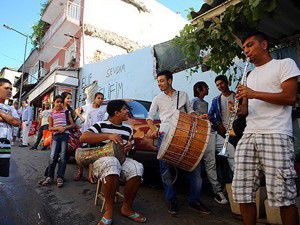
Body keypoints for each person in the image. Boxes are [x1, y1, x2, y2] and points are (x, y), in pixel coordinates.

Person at [232, 32, 299, 225]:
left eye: (250, 45)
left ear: (264, 45)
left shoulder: (284, 64)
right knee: (242, 192)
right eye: (244, 48)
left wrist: (253, 93)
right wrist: (238, 109)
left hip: (276, 134)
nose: (246, 51)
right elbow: (246, 109)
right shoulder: (249, 75)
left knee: (283, 195)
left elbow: (289, 98)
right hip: (250, 134)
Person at [147, 70, 210, 215]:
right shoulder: (157, 99)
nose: (159, 84)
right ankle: (171, 199)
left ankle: (194, 200)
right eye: (158, 82)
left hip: (184, 133)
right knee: (165, 169)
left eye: (162, 81)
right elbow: (149, 117)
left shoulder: (183, 95)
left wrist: (198, 117)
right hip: (165, 134)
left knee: (194, 166)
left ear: (170, 80)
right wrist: (153, 128)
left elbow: (190, 112)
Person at [80, 100, 146, 225]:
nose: (128, 111)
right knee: (112, 163)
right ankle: (108, 211)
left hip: (122, 160)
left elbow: (131, 149)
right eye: (125, 109)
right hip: (102, 161)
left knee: (137, 168)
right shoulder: (100, 125)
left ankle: (126, 208)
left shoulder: (128, 129)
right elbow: (83, 137)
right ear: (116, 113)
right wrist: (108, 136)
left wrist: (130, 147)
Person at [191, 81, 228, 204]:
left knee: (230, 150)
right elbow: (191, 117)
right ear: (199, 89)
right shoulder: (193, 101)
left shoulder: (205, 103)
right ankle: (217, 192)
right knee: (210, 162)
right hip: (203, 135)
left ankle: (235, 185)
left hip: (212, 133)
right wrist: (200, 118)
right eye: (206, 87)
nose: (208, 89)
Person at [41, 95, 75, 188]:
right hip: (56, 137)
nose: (59, 103)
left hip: (65, 136)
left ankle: (60, 177)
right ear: (54, 103)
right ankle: (49, 177)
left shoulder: (66, 112)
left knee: (63, 157)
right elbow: (50, 127)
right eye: (57, 102)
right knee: (53, 157)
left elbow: (72, 125)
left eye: (61, 102)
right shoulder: (51, 114)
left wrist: (64, 128)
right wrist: (58, 128)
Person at [74, 92, 106, 182]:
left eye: (102, 98)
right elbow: (77, 110)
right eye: (98, 98)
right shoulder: (87, 106)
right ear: (94, 99)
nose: (100, 100)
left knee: (92, 154)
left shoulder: (103, 109)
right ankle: (79, 172)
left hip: (95, 134)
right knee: (81, 153)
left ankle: (90, 176)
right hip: (85, 133)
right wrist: (81, 117)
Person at [208, 75, 236, 173]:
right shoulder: (216, 100)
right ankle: (231, 180)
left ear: (227, 82)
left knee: (238, 155)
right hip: (224, 132)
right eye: (217, 85)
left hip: (237, 130)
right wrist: (218, 124)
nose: (220, 87)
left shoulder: (236, 97)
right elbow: (210, 115)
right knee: (229, 156)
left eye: (221, 83)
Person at [0, 78, 20, 177]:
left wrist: (1, 114)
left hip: (5, 144)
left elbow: (16, 122)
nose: (9, 91)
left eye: (11, 89)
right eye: (6, 88)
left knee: (1, 169)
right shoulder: (10, 110)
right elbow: (11, 120)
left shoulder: (11, 108)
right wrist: (8, 117)